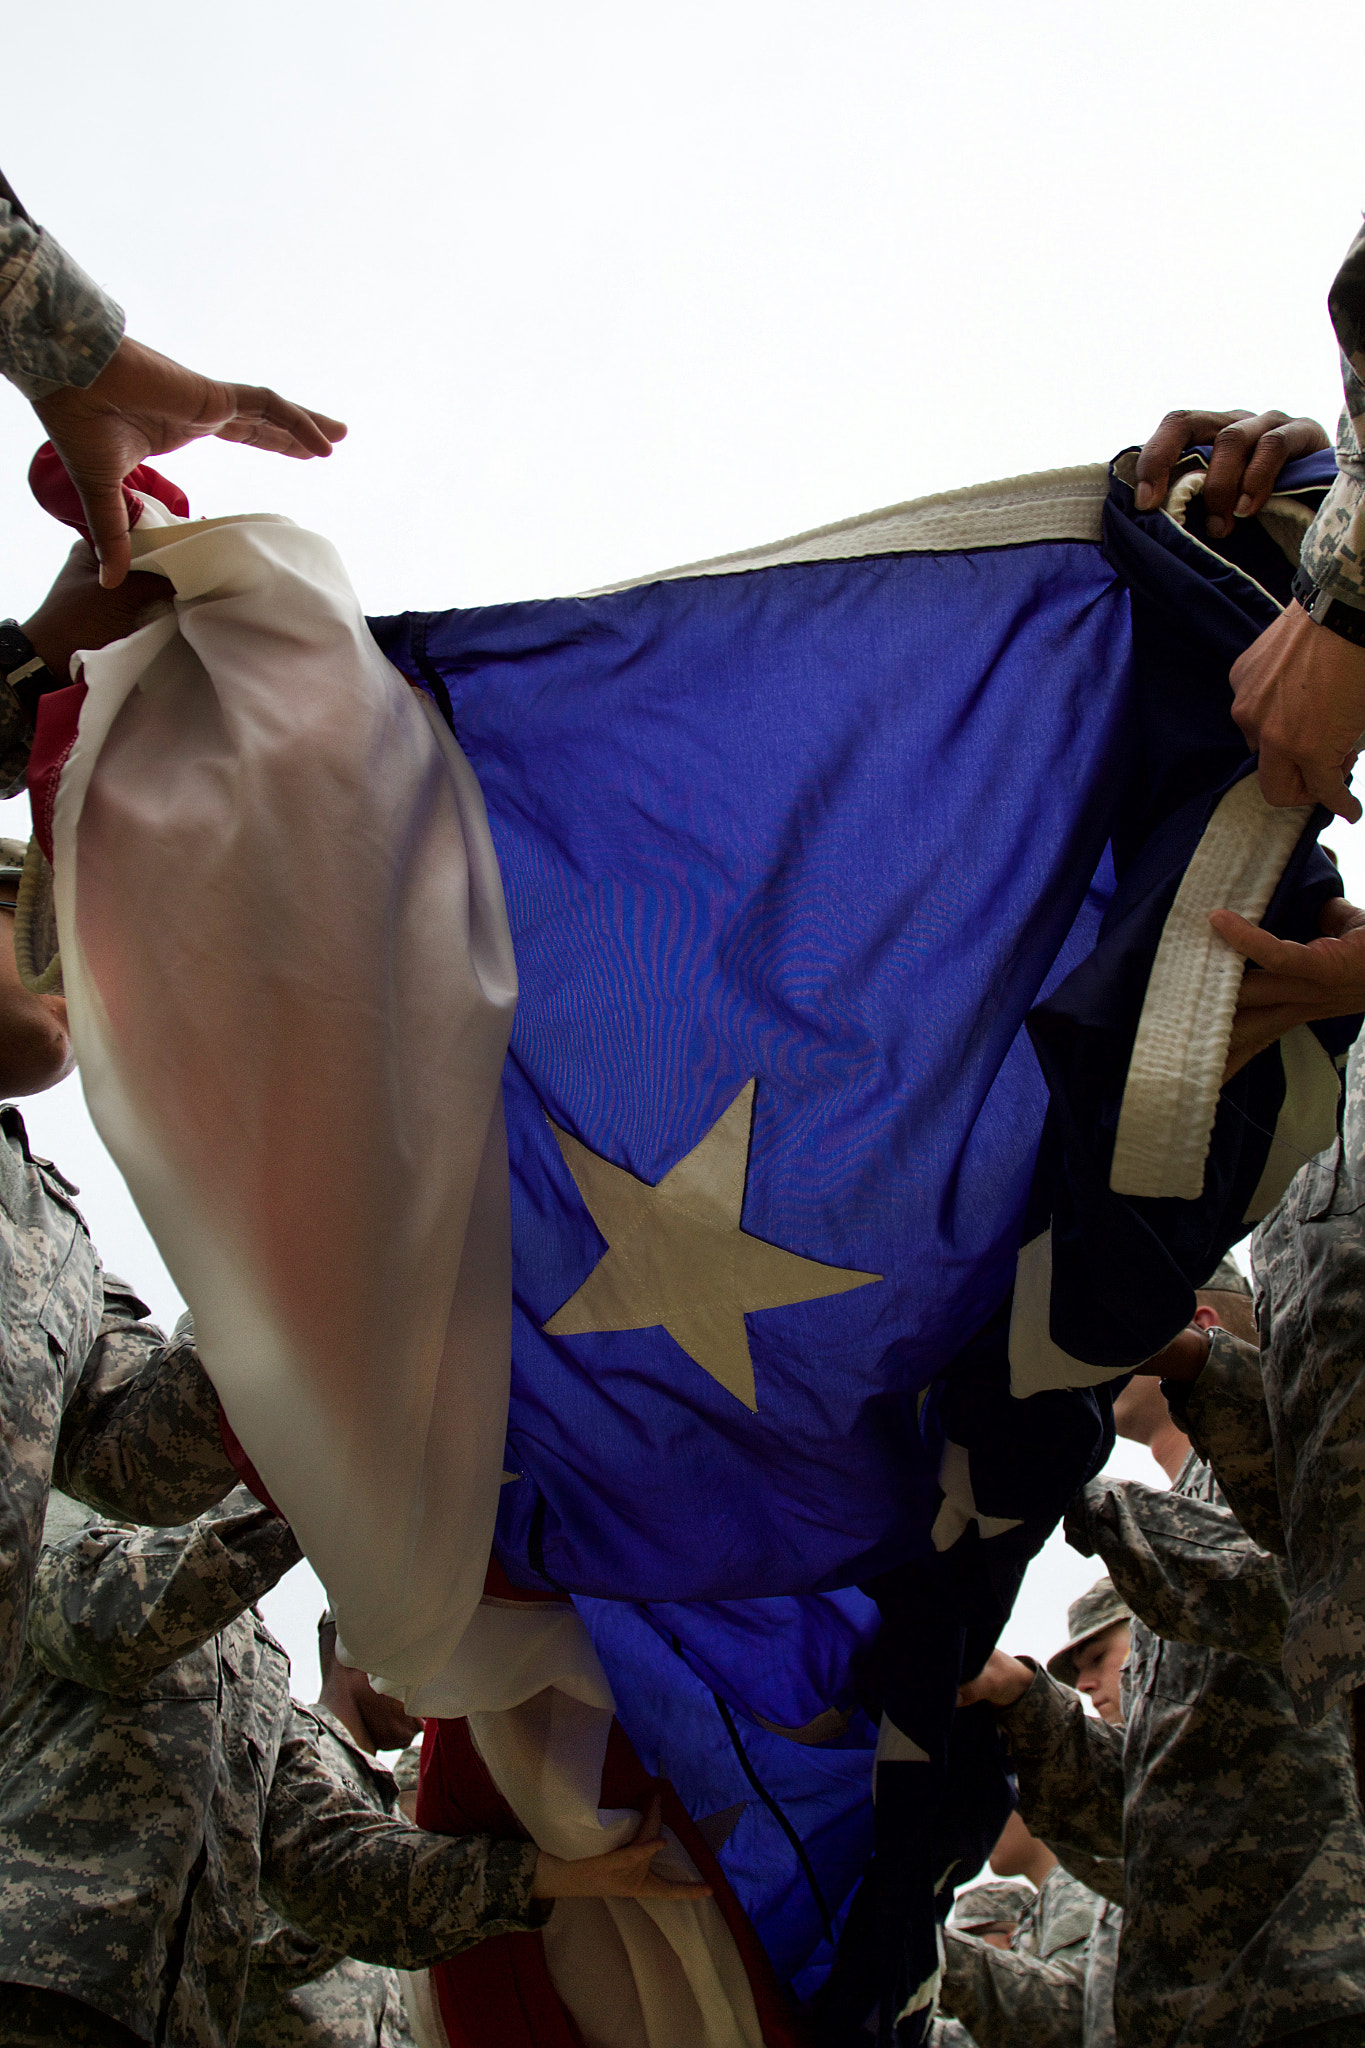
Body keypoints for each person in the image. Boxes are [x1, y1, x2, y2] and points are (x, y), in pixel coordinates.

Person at [0, 1492, 710, 2048]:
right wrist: (312, 1496)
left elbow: (333, 1869)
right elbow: (104, 1622)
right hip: (35, 1989)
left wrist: (565, 1876)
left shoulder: (255, 1677)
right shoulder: (59, 1518)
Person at [959, 1269, 1365, 2048]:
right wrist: (1020, 1698)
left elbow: (1305, 1600)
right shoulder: (1174, 1549)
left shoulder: (1302, 1465)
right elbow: (1143, 1812)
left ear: (1195, 1329)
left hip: (1315, 1991)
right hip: (1202, 2012)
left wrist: (1073, 1491)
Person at [0, 164, 344, 587]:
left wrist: (79, 357)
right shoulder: (184, 538)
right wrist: (77, 356)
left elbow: (62, 474)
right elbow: (61, 474)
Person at [237, 1609, 426, 2047]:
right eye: (413, 1671)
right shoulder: (281, 1748)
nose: (423, 1708)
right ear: (353, 1651)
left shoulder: (389, 1805)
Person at [936, 1809, 1111, 2048]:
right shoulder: (1048, 1901)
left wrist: (931, 1947)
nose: (986, 1822)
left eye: (1005, 1801)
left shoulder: (1075, 1888)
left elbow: (1069, 2023)